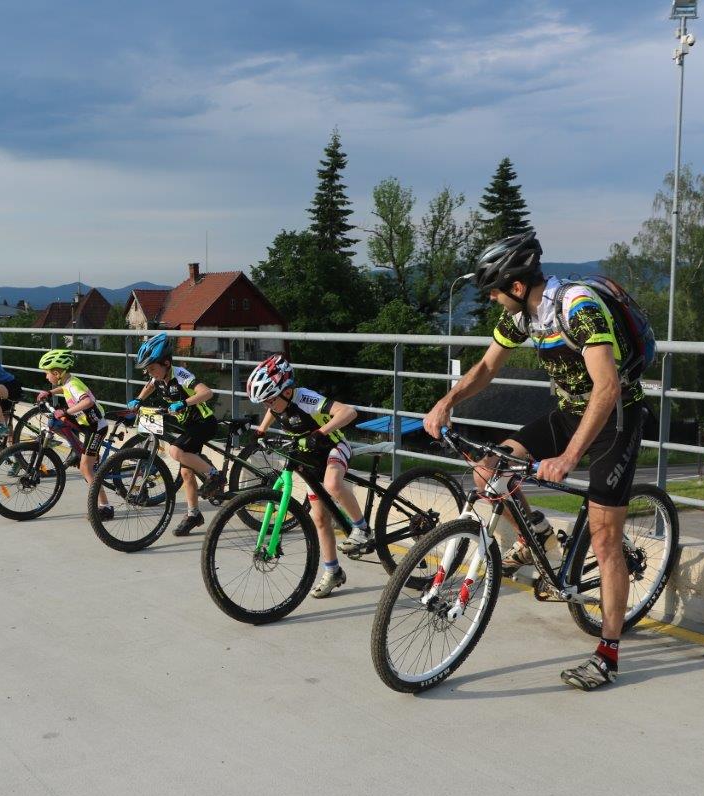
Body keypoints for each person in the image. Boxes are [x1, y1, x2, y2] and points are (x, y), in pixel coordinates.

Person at [423, 230, 645, 691]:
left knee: (605, 540)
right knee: (489, 469)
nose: (492, 299)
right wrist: (446, 403)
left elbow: (606, 389)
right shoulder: (525, 318)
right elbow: (486, 367)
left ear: (518, 287)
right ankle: (539, 535)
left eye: (495, 291)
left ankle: (608, 653)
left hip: (615, 421)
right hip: (568, 414)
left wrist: (567, 457)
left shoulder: (578, 308)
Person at [245, 354, 372, 598]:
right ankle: (333, 571)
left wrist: (320, 433)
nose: (267, 406)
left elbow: (349, 412)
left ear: (287, 391)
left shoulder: (305, 398)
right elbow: (275, 412)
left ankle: (362, 528)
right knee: (320, 519)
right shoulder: (278, 402)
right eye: (264, 402)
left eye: (269, 400)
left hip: (334, 447)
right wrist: (260, 430)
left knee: (333, 483)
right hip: (310, 458)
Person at [126, 332, 223, 536]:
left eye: (152, 368)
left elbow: (207, 392)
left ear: (167, 363)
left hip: (204, 423)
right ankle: (193, 514)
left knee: (175, 450)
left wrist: (184, 402)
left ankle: (214, 476)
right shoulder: (158, 378)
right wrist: (138, 400)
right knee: (186, 472)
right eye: (147, 370)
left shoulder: (181, 375)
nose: (149, 373)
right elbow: (149, 386)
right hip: (188, 426)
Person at [35, 349, 113, 520]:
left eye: (47, 374)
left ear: (56, 373)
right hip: (86, 424)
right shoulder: (69, 382)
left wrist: (67, 411)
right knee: (57, 424)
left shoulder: (73, 384)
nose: (46, 377)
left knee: (86, 467)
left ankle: (105, 507)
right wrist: (50, 392)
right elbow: (65, 389)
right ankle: (79, 451)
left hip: (96, 427)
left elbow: (87, 401)